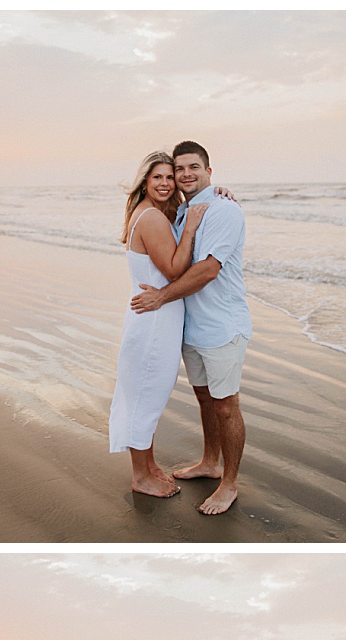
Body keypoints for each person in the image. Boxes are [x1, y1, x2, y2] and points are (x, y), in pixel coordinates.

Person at [131, 141, 251, 515]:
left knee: (226, 406)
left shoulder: (224, 210)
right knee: (204, 400)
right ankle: (210, 462)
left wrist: (161, 297)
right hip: (192, 327)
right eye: (178, 169)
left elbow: (208, 270)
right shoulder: (184, 211)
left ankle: (229, 483)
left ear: (209, 172)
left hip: (222, 326)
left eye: (192, 167)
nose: (184, 175)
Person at [110, 151, 206, 497]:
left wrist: (216, 193)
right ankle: (141, 476)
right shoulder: (151, 218)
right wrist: (192, 227)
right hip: (153, 322)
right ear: (145, 182)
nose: (165, 183)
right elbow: (174, 270)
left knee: (144, 393)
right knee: (145, 396)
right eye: (158, 178)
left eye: (170, 177)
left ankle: (149, 466)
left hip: (153, 318)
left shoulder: (154, 213)